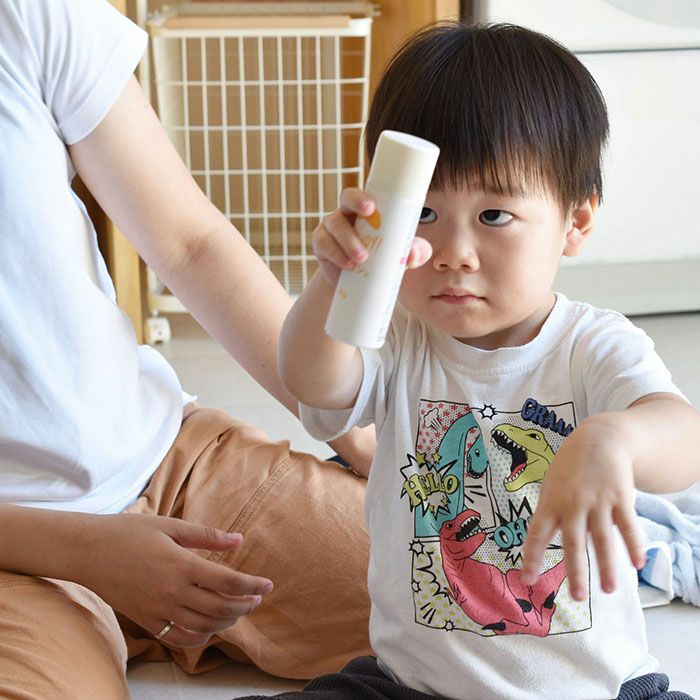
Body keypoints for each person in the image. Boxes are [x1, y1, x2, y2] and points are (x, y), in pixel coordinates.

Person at [270, 21, 700, 700]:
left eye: (494, 216)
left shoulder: (592, 345)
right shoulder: (398, 338)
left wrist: (616, 438)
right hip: (412, 686)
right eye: (424, 213)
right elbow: (314, 381)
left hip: (592, 690)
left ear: (576, 222)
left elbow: (683, 439)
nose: (453, 253)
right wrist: (335, 281)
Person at [0, 0, 378, 697]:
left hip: (170, 464)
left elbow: (189, 243)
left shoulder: (27, 14)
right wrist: (86, 551)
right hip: (12, 549)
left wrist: (361, 435)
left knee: (502, 606)